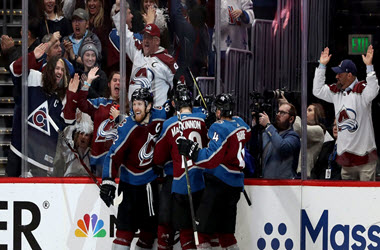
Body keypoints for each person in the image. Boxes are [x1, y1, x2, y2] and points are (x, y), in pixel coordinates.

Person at [178, 93, 251, 249]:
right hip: (235, 186)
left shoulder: (219, 128)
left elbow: (210, 160)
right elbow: (245, 134)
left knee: (202, 231)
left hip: (219, 185)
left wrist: (193, 152)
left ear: (218, 111)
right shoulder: (241, 123)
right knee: (226, 234)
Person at [100, 88, 167, 250]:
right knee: (124, 232)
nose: (136, 108)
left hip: (149, 186)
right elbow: (112, 155)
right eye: (134, 104)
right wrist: (108, 181)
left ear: (149, 106)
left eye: (140, 104)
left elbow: (173, 109)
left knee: (149, 232)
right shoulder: (127, 127)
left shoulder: (160, 117)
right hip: (128, 186)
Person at [313, 46, 379, 181]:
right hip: (346, 160)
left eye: (340, 74)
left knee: (365, 199)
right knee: (348, 199)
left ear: (349, 75)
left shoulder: (362, 90)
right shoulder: (336, 92)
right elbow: (317, 90)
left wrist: (369, 67)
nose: (336, 76)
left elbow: (374, 90)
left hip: (365, 159)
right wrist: (321, 66)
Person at [154, 86, 208, 250]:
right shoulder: (202, 120)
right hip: (202, 182)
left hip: (181, 183)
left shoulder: (170, 124)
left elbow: (158, 157)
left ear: (174, 103)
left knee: (185, 230)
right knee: (201, 231)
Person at [7, 43, 71, 177]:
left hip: (42, 158)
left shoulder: (63, 97)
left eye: (62, 70)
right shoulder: (34, 78)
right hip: (20, 148)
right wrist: (32, 57)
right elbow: (14, 69)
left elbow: (67, 121)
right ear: (48, 68)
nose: (59, 71)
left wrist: (76, 95)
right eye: (57, 68)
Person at [112, 5, 178, 106]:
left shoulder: (167, 61)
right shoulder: (137, 50)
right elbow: (123, 31)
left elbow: (179, 85)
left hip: (156, 117)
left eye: (149, 38)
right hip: (134, 115)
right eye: (144, 37)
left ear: (156, 41)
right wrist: (118, 6)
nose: (145, 40)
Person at [63, 70, 124, 176]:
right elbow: (82, 104)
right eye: (115, 80)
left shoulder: (129, 107)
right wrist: (88, 82)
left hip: (120, 159)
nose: (118, 83)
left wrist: (120, 118)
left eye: (120, 81)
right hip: (100, 159)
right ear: (109, 84)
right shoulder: (100, 103)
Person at [258, 102, 301, 179]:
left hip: (284, 185)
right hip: (265, 184)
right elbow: (254, 151)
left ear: (291, 119)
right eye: (278, 112)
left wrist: (268, 126)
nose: (278, 114)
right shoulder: (268, 133)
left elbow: (282, 148)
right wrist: (255, 126)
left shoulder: (293, 137)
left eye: (282, 113)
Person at [293, 103, 326, 178]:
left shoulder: (319, 130)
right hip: (299, 174)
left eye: (309, 110)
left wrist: (293, 113)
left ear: (317, 114)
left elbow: (298, 127)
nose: (305, 112)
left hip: (308, 175)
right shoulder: (307, 130)